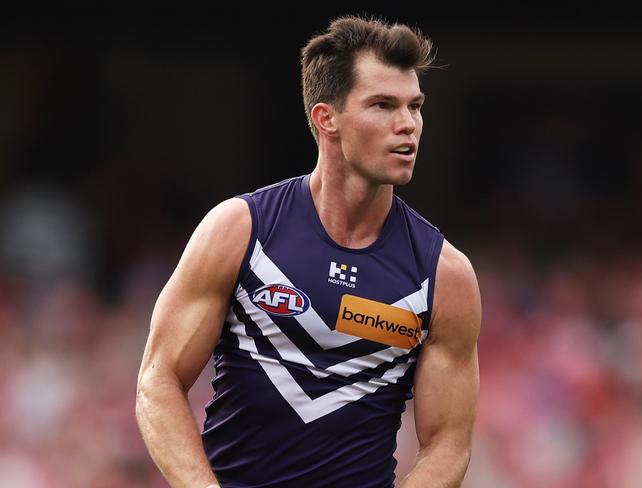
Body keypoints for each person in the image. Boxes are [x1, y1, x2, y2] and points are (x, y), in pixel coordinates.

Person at [136, 14, 481, 488]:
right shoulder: (240, 230)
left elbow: (448, 444)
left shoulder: (445, 274)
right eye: (383, 105)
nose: (408, 125)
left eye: (415, 106)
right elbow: (158, 381)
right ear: (327, 118)